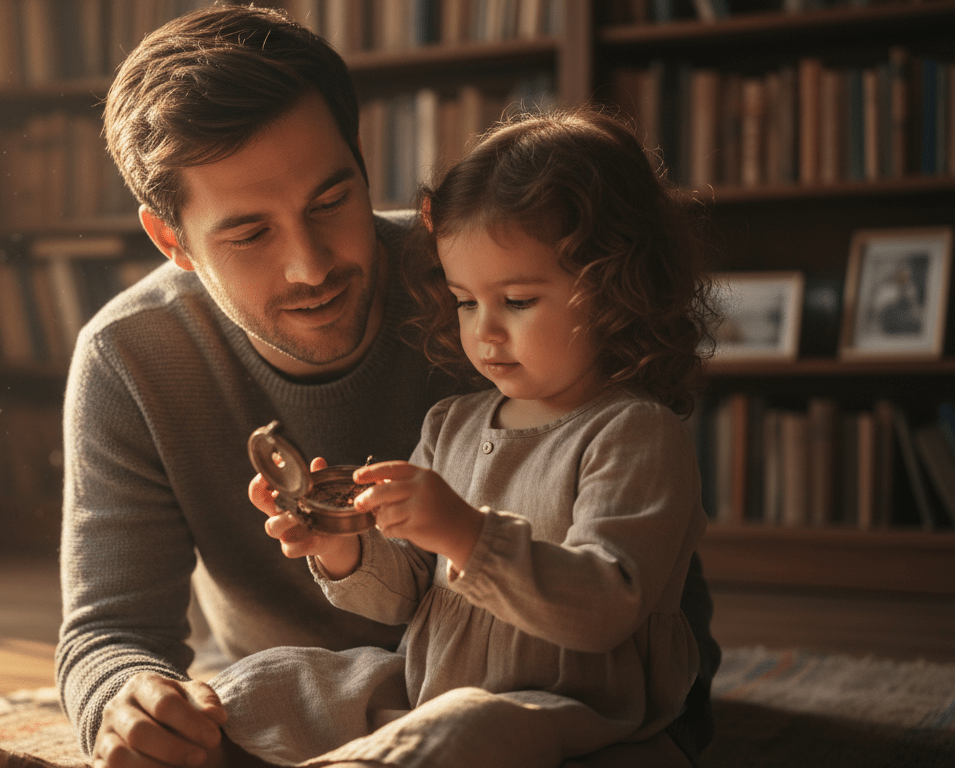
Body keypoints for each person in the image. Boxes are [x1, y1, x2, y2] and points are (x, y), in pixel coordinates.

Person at [54, 6, 720, 768]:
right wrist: (132, 706)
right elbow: (109, 631)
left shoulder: (483, 274)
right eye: (250, 234)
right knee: (241, 695)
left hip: (549, 693)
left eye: (330, 201)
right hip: (355, 690)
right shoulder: (127, 356)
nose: (311, 266)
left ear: (361, 157)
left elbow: (647, 579)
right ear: (170, 239)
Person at [209, 106, 720, 768]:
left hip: (568, 710)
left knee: (460, 728)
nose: (485, 331)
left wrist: (466, 533)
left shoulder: (635, 433)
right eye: (466, 301)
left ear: (616, 289)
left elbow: (604, 610)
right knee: (271, 682)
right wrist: (342, 545)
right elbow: (404, 598)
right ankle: (195, 740)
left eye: (518, 301)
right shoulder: (450, 424)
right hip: (431, 684)